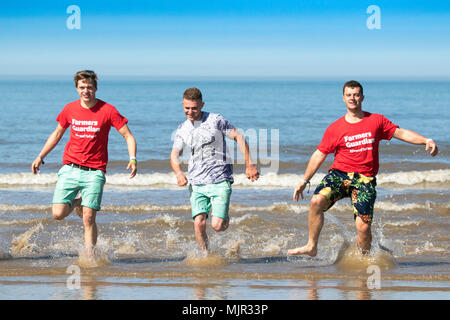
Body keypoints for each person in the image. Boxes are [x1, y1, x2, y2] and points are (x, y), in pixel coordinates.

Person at [287, 80, 438, 256]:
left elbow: (400, 133)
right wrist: (304, 181)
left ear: (362, 97)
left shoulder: (376, 120)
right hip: (339, 175)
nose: (353, 98)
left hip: (364, 179)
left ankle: (364, 259)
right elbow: (319, 154)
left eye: (356, 95)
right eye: (349, 95)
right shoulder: (335, 128)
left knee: (363, 227)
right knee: (316, 201)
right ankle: (312, 246)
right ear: (343, 98)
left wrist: (425, 140)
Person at [31, 70, 137, 258]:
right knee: (58, 213)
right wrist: (40, 156)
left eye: (89, 87)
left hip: (94, 171)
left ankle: (90, 257)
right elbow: (56, 135)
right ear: (77, 89)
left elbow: (128, 135)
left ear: (95, 88)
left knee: (88, 218)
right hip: (70, 168)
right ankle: (78, 202)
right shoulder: (69, 109)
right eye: (82, 87)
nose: (85, 91)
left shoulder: (108, 110)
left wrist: (132, 158)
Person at [170, 88, 259, 254]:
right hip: (196, 183)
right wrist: (178, 173)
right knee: (199, 223)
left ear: (202, 105)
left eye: (194, 108)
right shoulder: (182, 129)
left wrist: (249, 164)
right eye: (187, 108)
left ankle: (224, 217)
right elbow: (174, 155)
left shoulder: (216, 120)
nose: (190, 112)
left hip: (220, 179)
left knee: (217, 226)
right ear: (182, 105)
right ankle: (206, 256)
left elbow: (238, 136)